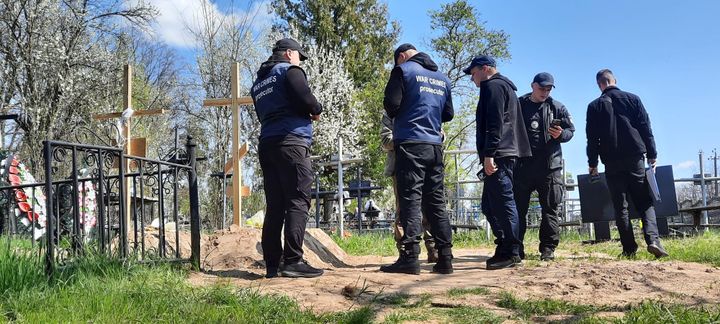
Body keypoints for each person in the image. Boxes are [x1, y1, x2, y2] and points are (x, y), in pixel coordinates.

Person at [250, 38, 324, 278]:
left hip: (267, 144)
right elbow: (306, 99)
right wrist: (316, 109)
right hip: (292, 142)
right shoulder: (290, 71)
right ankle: (293, 260)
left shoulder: (259, 82)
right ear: (289, 53)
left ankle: (272, 264)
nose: (300, 60)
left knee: (276, 205)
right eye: (299, 56)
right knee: (298, 199)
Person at [380, 43, 454, 275]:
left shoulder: (403, 71)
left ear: (401, 57)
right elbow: (448, 114)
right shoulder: (442, 78)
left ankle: (410, 257)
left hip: (411, 144)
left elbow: (391, 105)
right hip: (435, 146)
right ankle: (445, 258)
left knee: (410, 200)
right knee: (436, 203)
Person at [586, 69, 668, 258]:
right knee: (645, 202)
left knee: (620, 207)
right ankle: (653, 240)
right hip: (635, 157)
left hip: (611, 161)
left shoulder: (594, 106)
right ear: (614, 80)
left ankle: (629, 249)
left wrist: (593, 163)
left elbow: (592, 139)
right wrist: (652, 154)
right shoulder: (633, 99)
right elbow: (646, 128)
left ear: (600, 84)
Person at [464, 55, 531, 270]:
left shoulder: (493, 86)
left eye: (473, 73)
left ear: (485, 69)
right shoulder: (505, 87)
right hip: (505, 152)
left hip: (499, 154)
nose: (472, 78)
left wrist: (489, 154)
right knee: (489, 205)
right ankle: (504, 245)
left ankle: (511, 250)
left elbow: (494, 123)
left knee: (502, 202)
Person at [514, 72, 575, 261]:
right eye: (542, 88)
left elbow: (571, 131)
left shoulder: (557, 107)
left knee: (550, 208)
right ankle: (516, 248)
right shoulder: (519, 104)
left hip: (550, 166)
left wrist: (561, 135)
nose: (545, 92)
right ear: (533, 85)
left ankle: (548, 249)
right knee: (517, 210)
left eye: (548, 89)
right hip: (523, 166)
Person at [380, 110, 439, 263]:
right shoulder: (390, 113)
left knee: (429, 207)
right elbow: (386, 140)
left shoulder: (426, 107)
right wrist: (410, 138)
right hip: (400, 167)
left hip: (426, 162)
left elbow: (440, 134)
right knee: (404, 211)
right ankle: (405, 250)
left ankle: (433, 248)